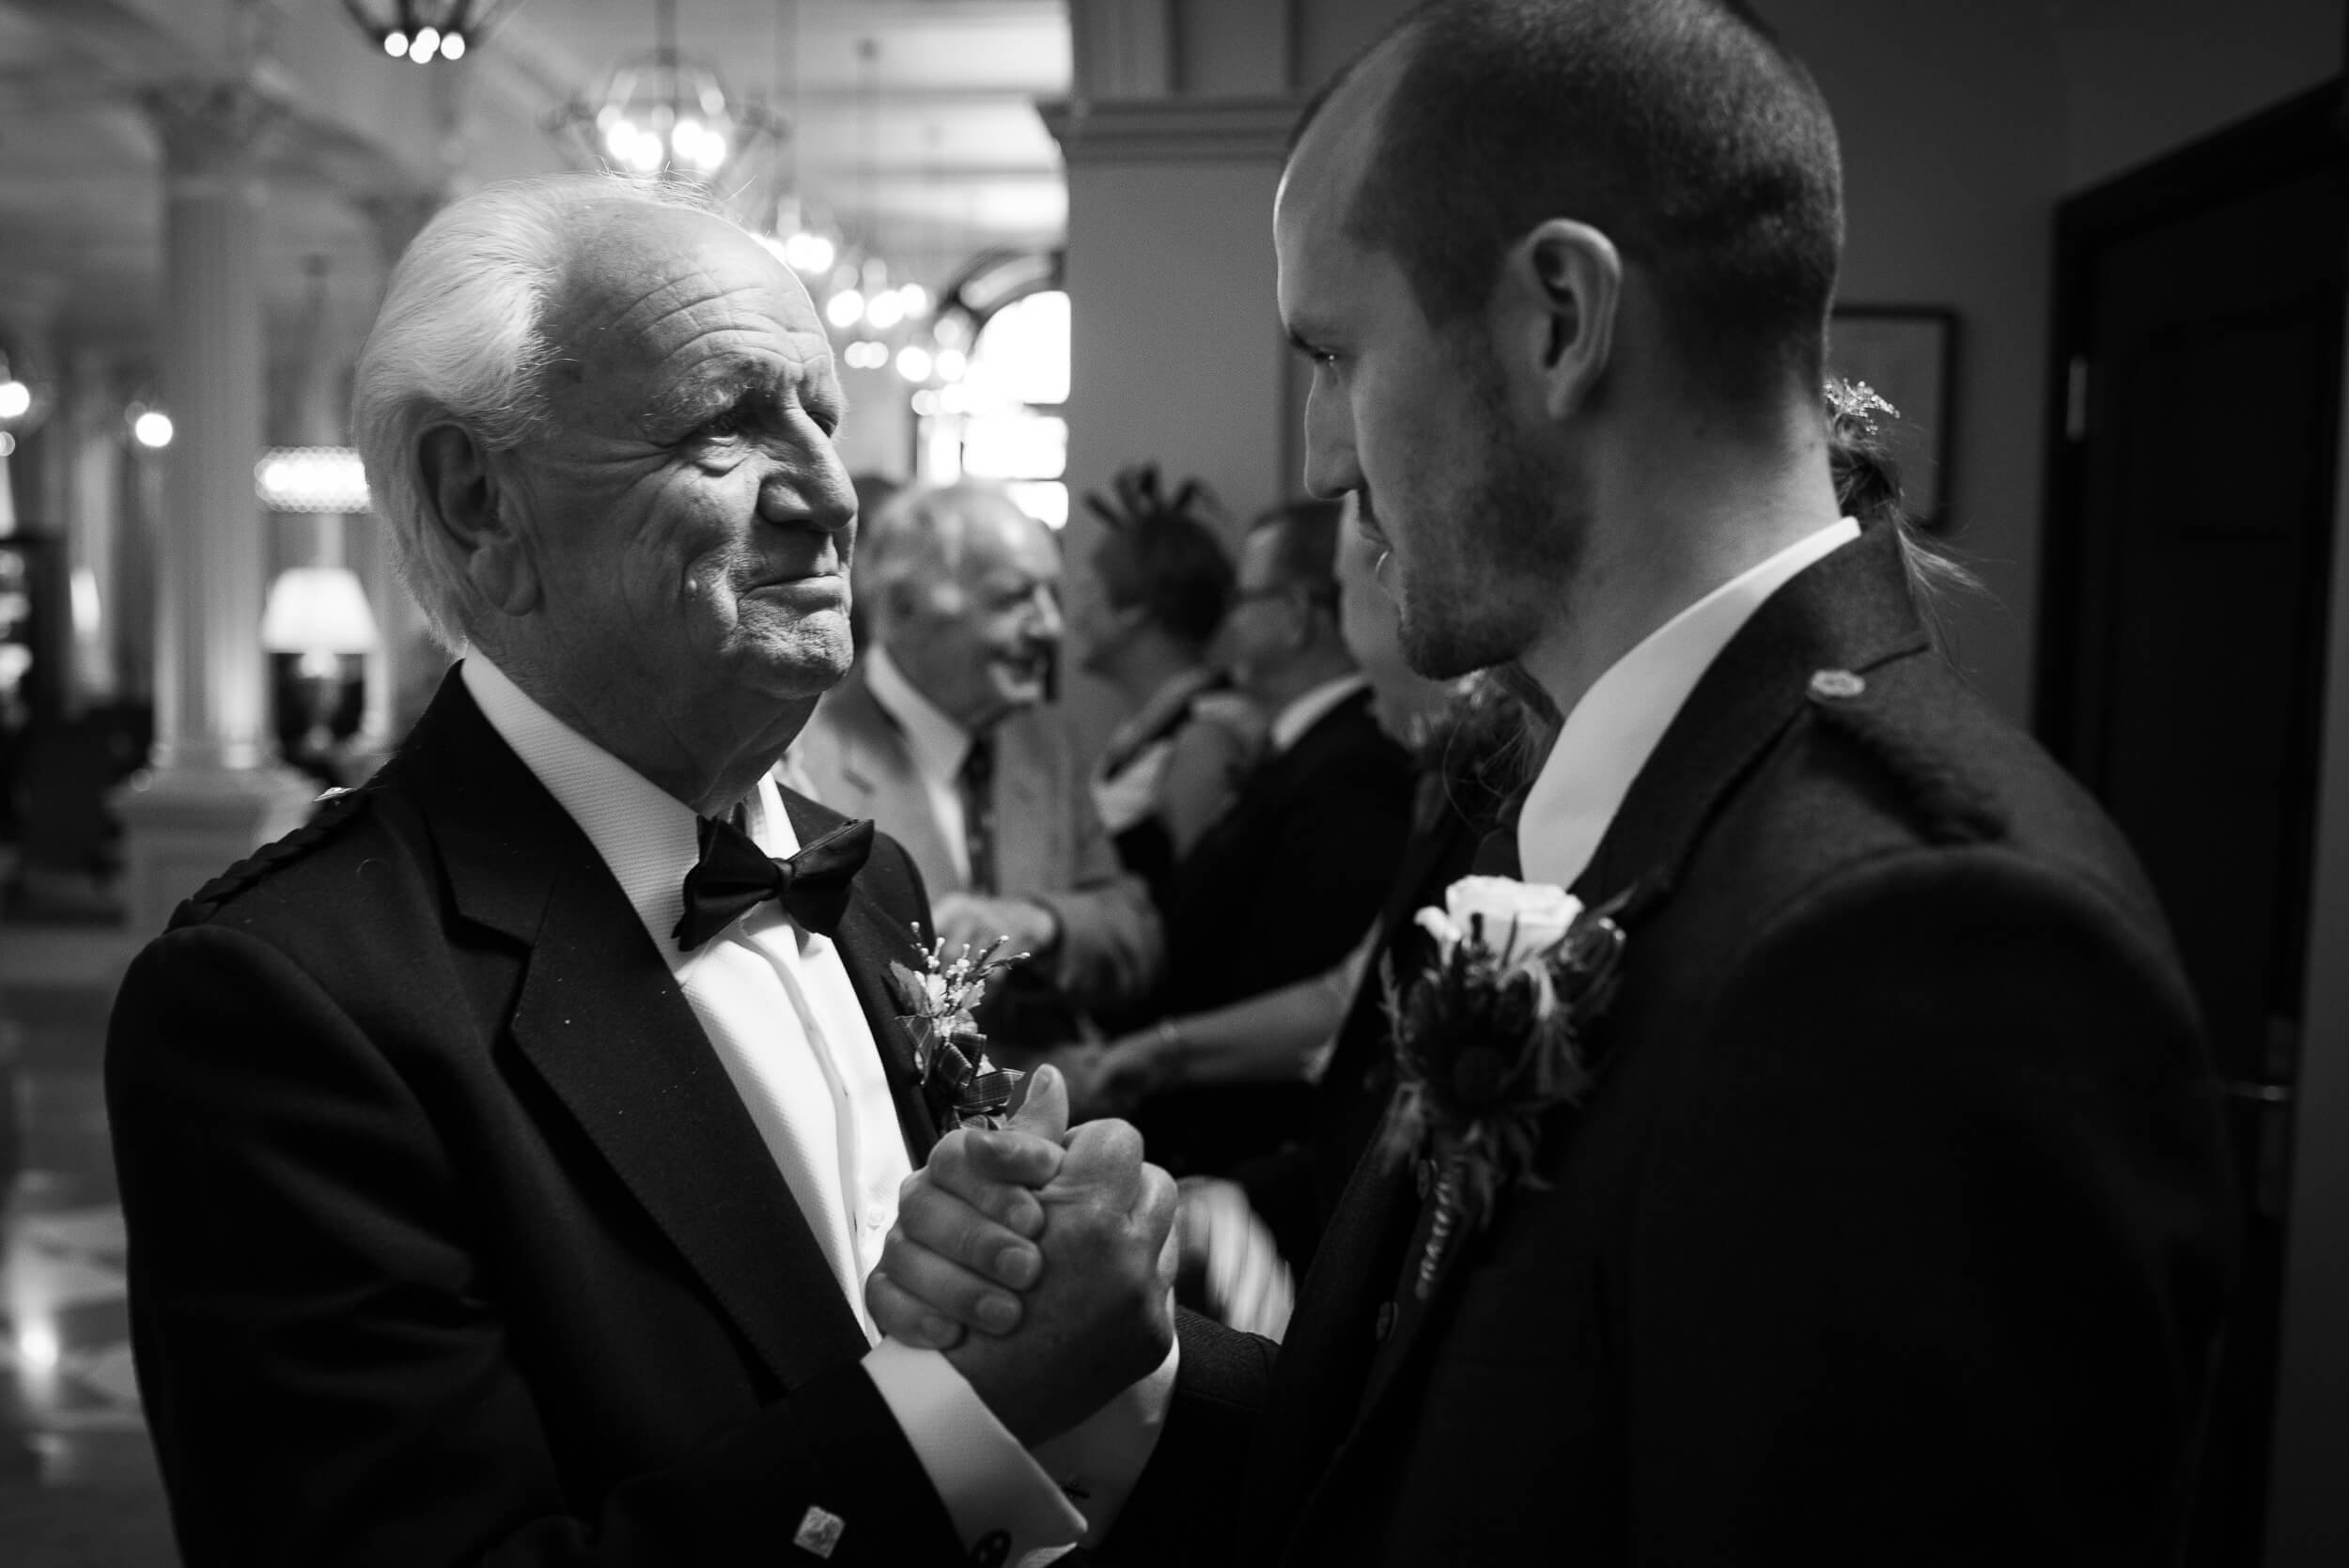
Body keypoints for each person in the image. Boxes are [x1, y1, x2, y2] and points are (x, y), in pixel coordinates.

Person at [871, 2, 2240, 1561]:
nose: (1323, 458)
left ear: (1558, 319)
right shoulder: (1602, 810)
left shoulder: (1917, 933)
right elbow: (1484, 1460)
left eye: (1337, 353)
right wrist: (1131, 1380)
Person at [103, 173, 1180, 1567]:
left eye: (822, 417)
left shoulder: (870, 881)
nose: (831, 494)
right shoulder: (285, 1005)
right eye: (726, 423)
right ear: (478, 498)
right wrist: (967, 1408)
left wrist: (1072, 1296)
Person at [792, 481, 1162, 1048]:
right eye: (1015, 599)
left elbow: (1133, 930)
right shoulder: (803, 757)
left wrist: (1040, 924)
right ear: (904, 609)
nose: (1051, 627)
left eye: (1052, 596)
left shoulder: (1046, 743)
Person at [1074, 463, 1263, 894]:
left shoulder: (1207, 737)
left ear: (1135, 609)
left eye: (1089, 593)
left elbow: (1205, 901)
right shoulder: (1140, 730)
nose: (1076, 616)